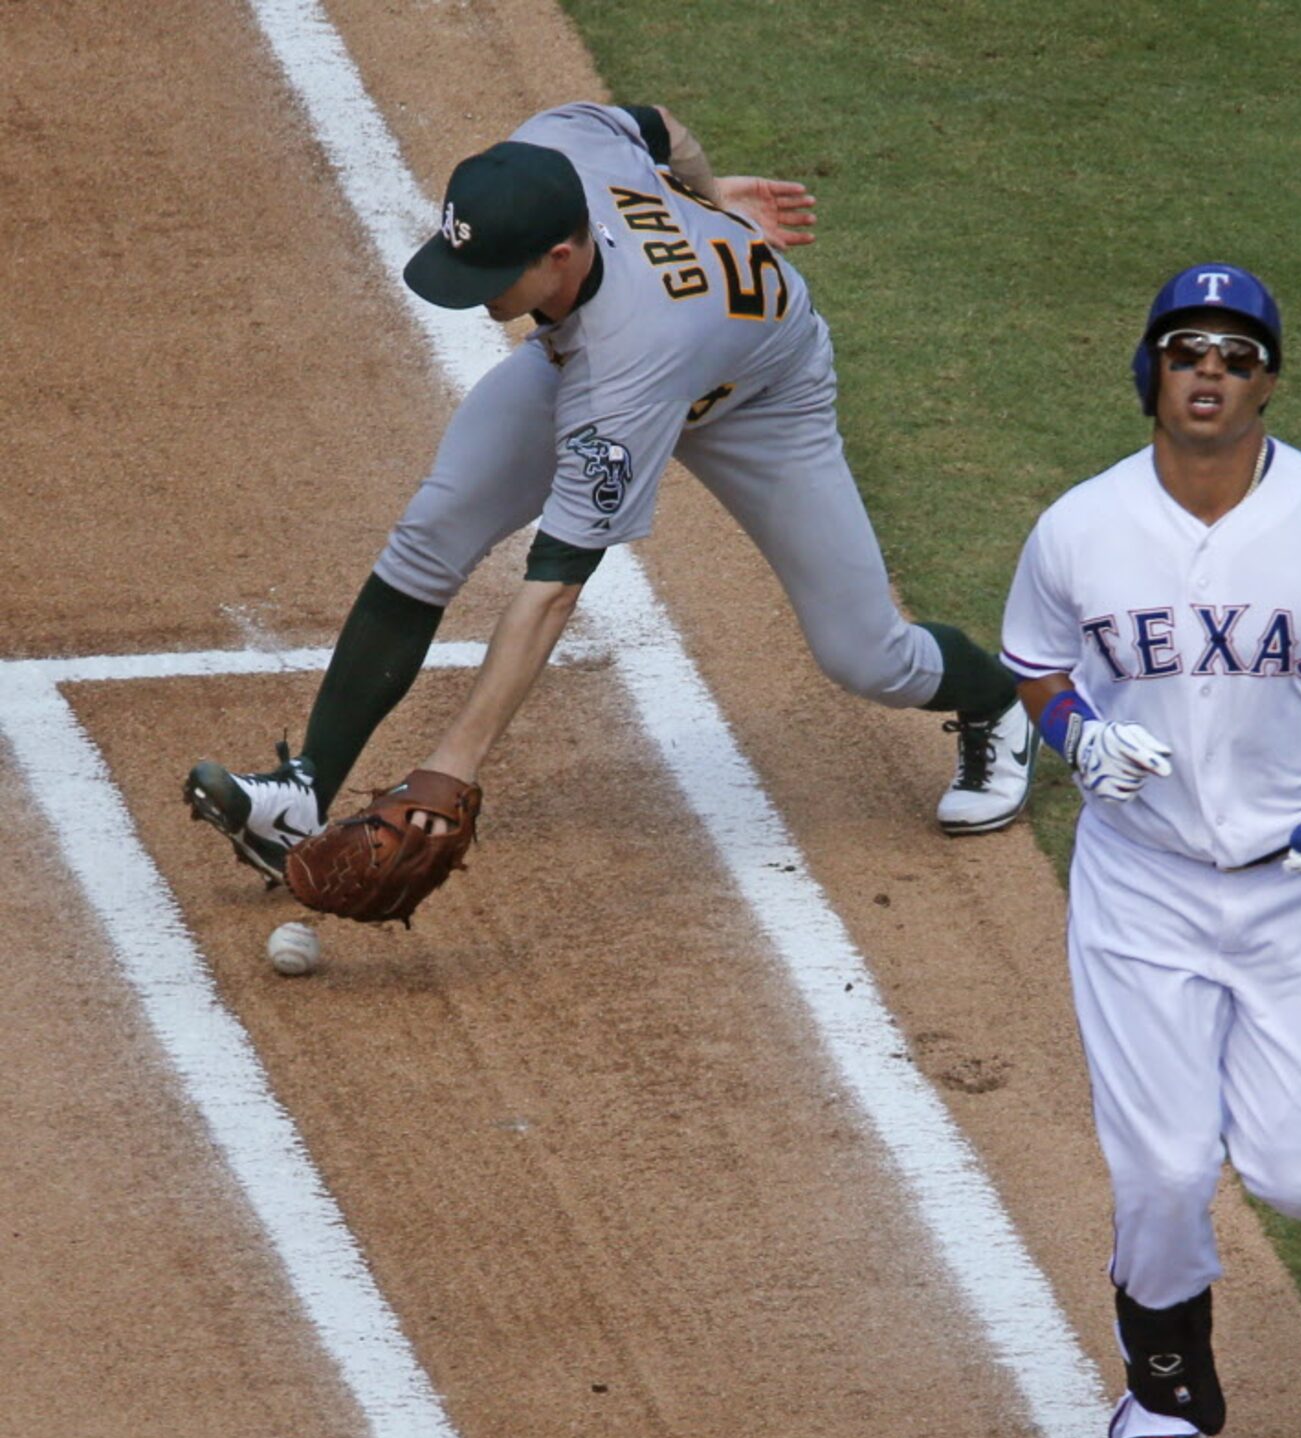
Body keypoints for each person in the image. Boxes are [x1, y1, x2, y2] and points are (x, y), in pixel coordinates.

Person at [185, 102, 1033, 881]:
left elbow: (552, 591)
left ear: (560, 256)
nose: (475, 295)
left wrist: (452, 764)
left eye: (490, 279)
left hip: (759, 399)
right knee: (432, 531)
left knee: (865, 654)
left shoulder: (628, 368)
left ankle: (998, 704)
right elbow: (660, 125)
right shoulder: (558, 143)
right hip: (612, 343)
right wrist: (705, 196)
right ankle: (300, 798)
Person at [1000, 262, 1301, 1438]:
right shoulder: (1080, 527)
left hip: (1290, 891)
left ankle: (1179, 1309)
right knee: (1159, 1166)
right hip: (1139, 885)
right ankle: (1161, 1397)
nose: (1211, 371)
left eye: (1238, 355)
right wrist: (1077, 737)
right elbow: (1036, 664)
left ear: (1269, 382)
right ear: (1150, 371)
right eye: (1187, 349)